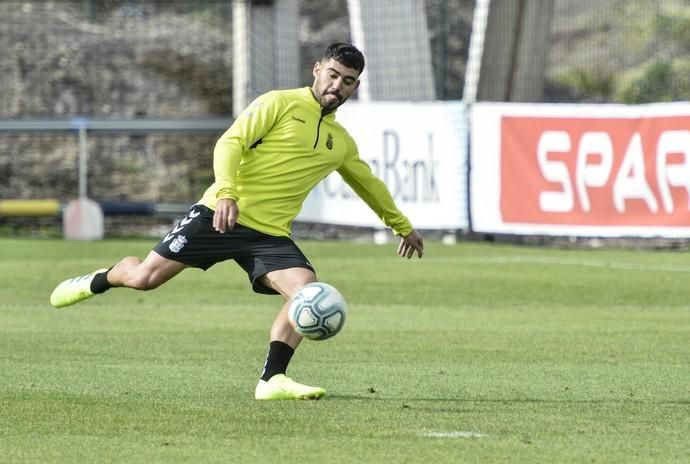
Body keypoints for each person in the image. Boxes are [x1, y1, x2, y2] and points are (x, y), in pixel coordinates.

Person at [50, 43, 424, 400]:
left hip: (270, 234)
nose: (336, 86)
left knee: (307, 292)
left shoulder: (340, 141)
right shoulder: (279, 103)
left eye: (347, 81)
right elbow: (231, 142)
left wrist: (401, 225)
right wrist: (226, 192)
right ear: (317, 70)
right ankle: (99, 279)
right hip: (219, 214)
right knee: (144, 279)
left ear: (355, 86)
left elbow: (367, 183)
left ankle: (272, 379)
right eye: (332, 75)